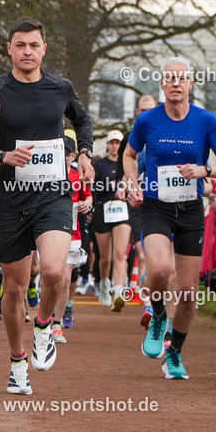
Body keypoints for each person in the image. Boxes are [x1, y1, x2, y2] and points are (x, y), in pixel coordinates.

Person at [0, 16, 93, 395]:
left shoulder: (60, 87)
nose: (27, 51)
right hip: (10, 201)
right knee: (15, 290)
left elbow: (83, 120)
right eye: (20, 45)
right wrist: (3, 156)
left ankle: (43, 328)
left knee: (54, 271)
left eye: (33, 45)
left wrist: (84, 153)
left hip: (53, 194)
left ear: (43, 49)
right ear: (9, 49)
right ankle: (17, 362)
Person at [119, 57, 216, 380]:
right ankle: (158, 315)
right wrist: (131, 184)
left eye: (181, 78)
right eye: (169, 78)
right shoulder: (147, 121)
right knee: (159, 269)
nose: (175, 83)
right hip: (156, 206)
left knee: (188, 293)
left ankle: (174, 354)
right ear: (162, 84)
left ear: (190, 84)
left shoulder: (206, 121)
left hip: (189, 209)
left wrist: (204, 169)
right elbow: (129, 155)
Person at [52, 135, 92, 342]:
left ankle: (56, 324)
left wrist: (87, 204)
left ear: (74, 156)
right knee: (51, 276)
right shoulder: (48, 174)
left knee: (66, 278)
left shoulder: (78, 176)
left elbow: (88, 196)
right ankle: (45, 317)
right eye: (61, 154)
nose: (65, 158)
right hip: (48, 232)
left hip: (73, 232)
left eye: (68, 154)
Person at [91, 130, 131, 311]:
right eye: (112, 143)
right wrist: (109, 185)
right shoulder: (99, 165)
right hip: (103, 210)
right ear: (107, 145)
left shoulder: (128, 163)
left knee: (120, 254)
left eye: (118, 143)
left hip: (122, 211)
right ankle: (105, 284)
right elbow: (92, 189)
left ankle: (119, 292)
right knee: (105, 258)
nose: (115, 146)